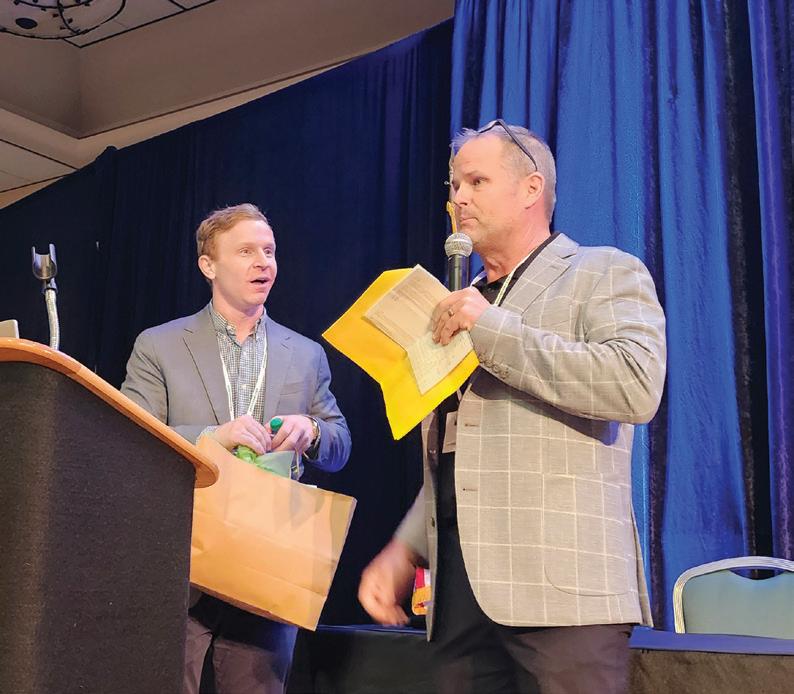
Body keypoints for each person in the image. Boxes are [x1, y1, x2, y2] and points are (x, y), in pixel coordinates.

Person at [358, 121, 666, 694]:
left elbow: (634, 384)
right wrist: (406, 547)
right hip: (459, 597)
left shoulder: (602, 270)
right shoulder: (458, 301)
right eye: (454, 185)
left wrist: (491, 328)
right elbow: (458, 447)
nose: (459, 197)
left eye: (476, 181)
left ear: (531, 188)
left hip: (563, 593)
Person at [121, 203, 351, 694]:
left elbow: (340, 444)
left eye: (269, 251)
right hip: (179, 563)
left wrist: (311, 430)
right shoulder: (159, 346)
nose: (263, 262)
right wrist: (211, 438)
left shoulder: (305, 353)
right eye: (246, 251)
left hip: (267, 566)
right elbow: (132, 439)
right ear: (208, 265)